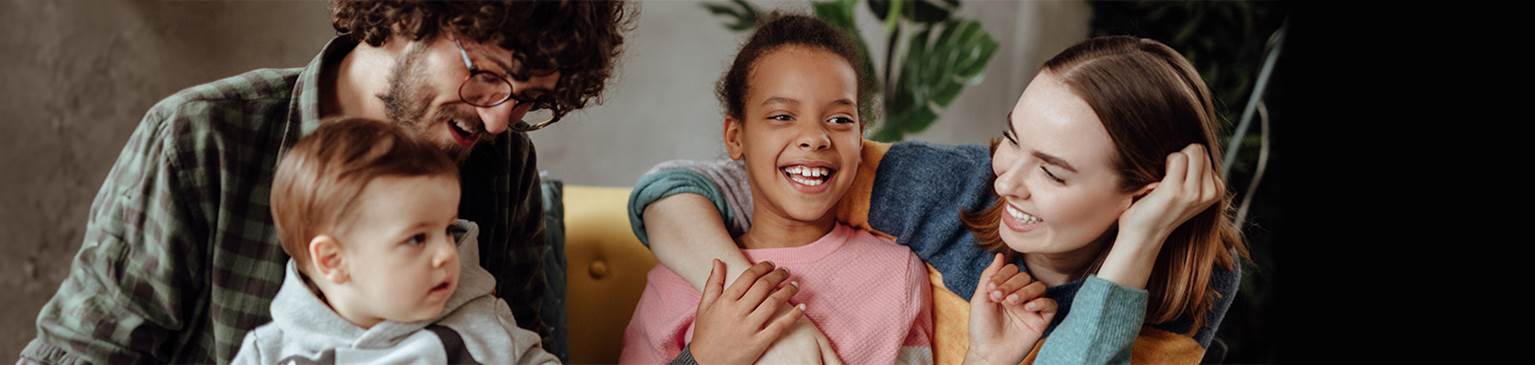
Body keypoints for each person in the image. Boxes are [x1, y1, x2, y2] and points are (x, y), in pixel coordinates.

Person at [19, 1, 629, 363]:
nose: (499, 119)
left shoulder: (502, 165)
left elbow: (515, 342)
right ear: (410, 15)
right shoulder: (202, 138)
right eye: (489, 77)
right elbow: (83, 353)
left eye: (528, 102)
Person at [630, 36, 1246, 364]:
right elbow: (691, 185)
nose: (1007, 183)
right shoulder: (949, 186)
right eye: (1012, 138)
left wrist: (1132, 253)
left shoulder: (1193, 280)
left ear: (1142, 197)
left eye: (1054, 173)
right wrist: (763, 323)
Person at [619, 14, 959, 365]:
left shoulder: (898, 274)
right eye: (782, 116)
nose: (815, 137)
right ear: (735, 137)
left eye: (840, 119)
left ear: (861, 142)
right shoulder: (678, 279)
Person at [234, 118, 555, 365]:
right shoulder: (270, 353)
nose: (445, 254)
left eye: (447, 230)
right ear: (333, 260)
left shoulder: (482, 325)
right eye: (417, 239)